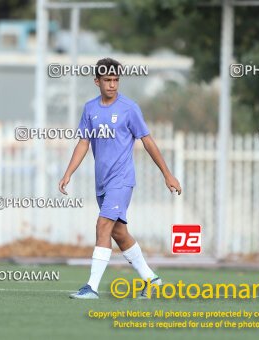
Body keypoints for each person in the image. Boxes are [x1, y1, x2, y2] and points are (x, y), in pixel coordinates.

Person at [59, 57, 182, 299]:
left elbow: (147, 141)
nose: (113, 85)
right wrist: (68, 173)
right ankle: (151, 279)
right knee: (118, 232)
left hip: (122, 180)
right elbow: (83, 142)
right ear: (97, 81)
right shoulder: (90, 109)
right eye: (107, 80)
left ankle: (91, 287)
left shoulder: (129, 108)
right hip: (102, 182)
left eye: (116, 80)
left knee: (102, 225)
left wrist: (167, 174)